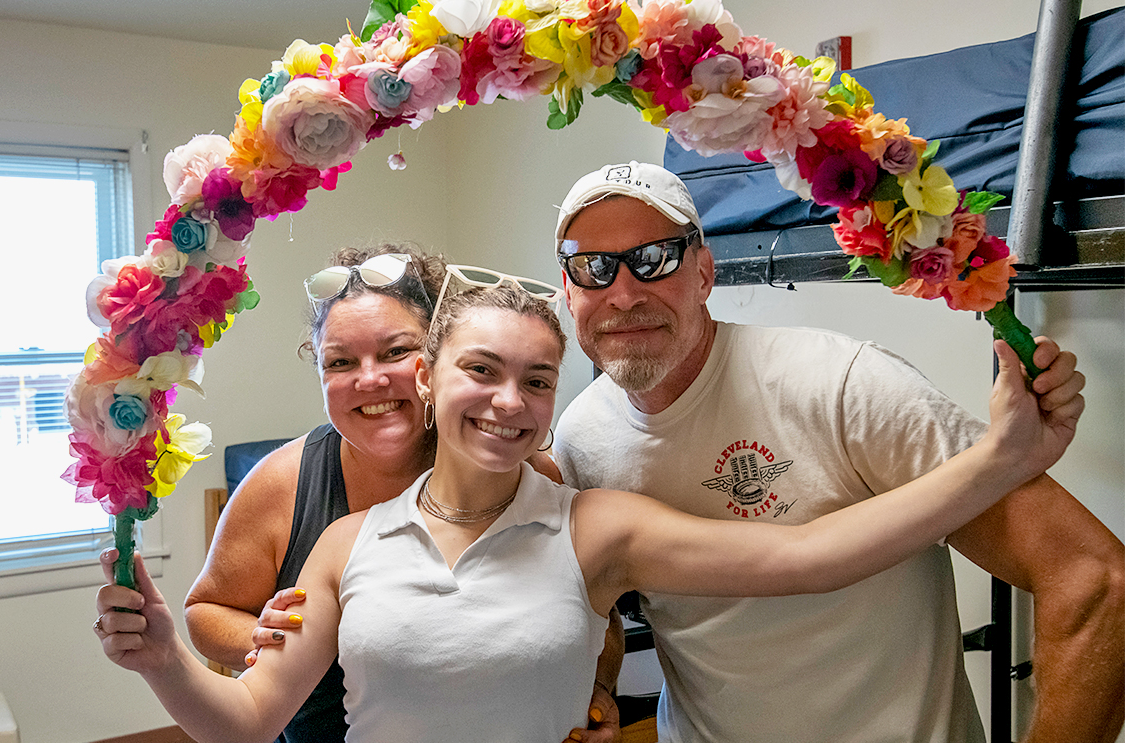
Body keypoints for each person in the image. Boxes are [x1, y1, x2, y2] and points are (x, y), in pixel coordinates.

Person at [94, 275, 1082, 743]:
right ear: (432, 377)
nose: (510, 402)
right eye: (481, 371)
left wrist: (1000, 458)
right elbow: (248, 718)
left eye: (537, 379)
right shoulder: (348, 545)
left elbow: (815, 553)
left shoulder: (591, 524)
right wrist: (162, 654)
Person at [550, 161, 1123, 742]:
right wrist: (597, 683)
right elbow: (598, 592)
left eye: (655, 259)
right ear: (568, 292)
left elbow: (1093, 580)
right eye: (591, 268)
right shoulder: (579, 442)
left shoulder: (841, 386)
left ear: (703, 273)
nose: (622, 294)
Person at [180, 242, 618, 743]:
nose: (371, 379)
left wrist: (597, 693)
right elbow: (204, 611)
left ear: (435, 361)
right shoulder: (282, 484)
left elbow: (590, 605)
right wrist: (276, 638)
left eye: (394, 352)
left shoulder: (521, 469)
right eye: (341, 363)